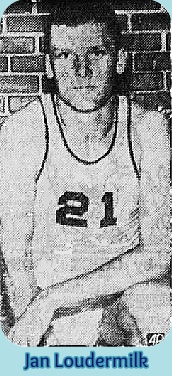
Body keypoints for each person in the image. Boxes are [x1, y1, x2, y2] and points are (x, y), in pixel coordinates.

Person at [1, 0, 170, 346]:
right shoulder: (25, 130)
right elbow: (16, 253)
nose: (81, 71)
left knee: (158, 307)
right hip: (51, 310)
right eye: (64, 56)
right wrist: (34, 321)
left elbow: (158, 254)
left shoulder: (148, 129)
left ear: (119, 60)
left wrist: (54, 300)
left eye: (95, 53)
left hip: (124, 297)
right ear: (49, 66)